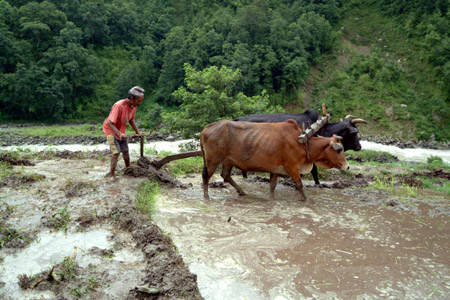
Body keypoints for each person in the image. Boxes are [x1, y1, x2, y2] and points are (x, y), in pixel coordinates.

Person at [103, 86, 144, 178]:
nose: (140, 103)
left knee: (125, 151)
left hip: (120, 130)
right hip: (110, 130)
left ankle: (128, 170)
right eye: (139, 100)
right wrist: (119, 133)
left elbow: (131, 120)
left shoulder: (134, 106)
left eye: (141, 100)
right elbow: (110, 122)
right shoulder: (119, 106)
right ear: (132, 98)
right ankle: (112, 175)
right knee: (116, 152)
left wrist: (138, 132)